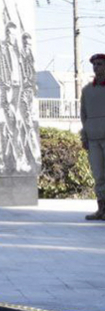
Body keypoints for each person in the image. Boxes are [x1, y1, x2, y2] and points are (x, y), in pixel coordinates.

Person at [80, 53, 105, 221]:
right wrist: (84, 136)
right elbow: (84, 115)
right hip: (93, 138)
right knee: (98, 175)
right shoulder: (87, 90)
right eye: (94, 64)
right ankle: (101, 209)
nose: (96, 67)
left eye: (100, 64)